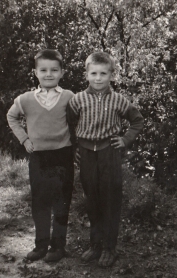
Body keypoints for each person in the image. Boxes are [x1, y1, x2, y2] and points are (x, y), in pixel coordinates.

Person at [67, 52, 144, 267]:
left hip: (108, 153)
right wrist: (76, 147)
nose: (98, 78)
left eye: (103, 73)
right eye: (94, 73)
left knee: (110, 200)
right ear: (86, 75)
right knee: (92, 199)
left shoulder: (119, 100)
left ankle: (110, 248)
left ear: (112, 75)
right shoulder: (77, 100)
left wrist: (125, 139)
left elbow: (137, 121)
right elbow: (69, 124)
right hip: (86, 154)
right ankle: (95, 245)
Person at [7, 49, 74, 262]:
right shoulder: (25, 99)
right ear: (35, 72)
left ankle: (58, 246)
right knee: (40, 202)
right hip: (39, 158)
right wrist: (25, 139)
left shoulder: (69, 97)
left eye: (54, 70)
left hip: (63, 156)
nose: (48, 74)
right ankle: (41, 245)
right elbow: (12, 117)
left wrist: (79, 146)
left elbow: (78, 121)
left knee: (62, 201)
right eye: (43, 70)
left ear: (62, 72)